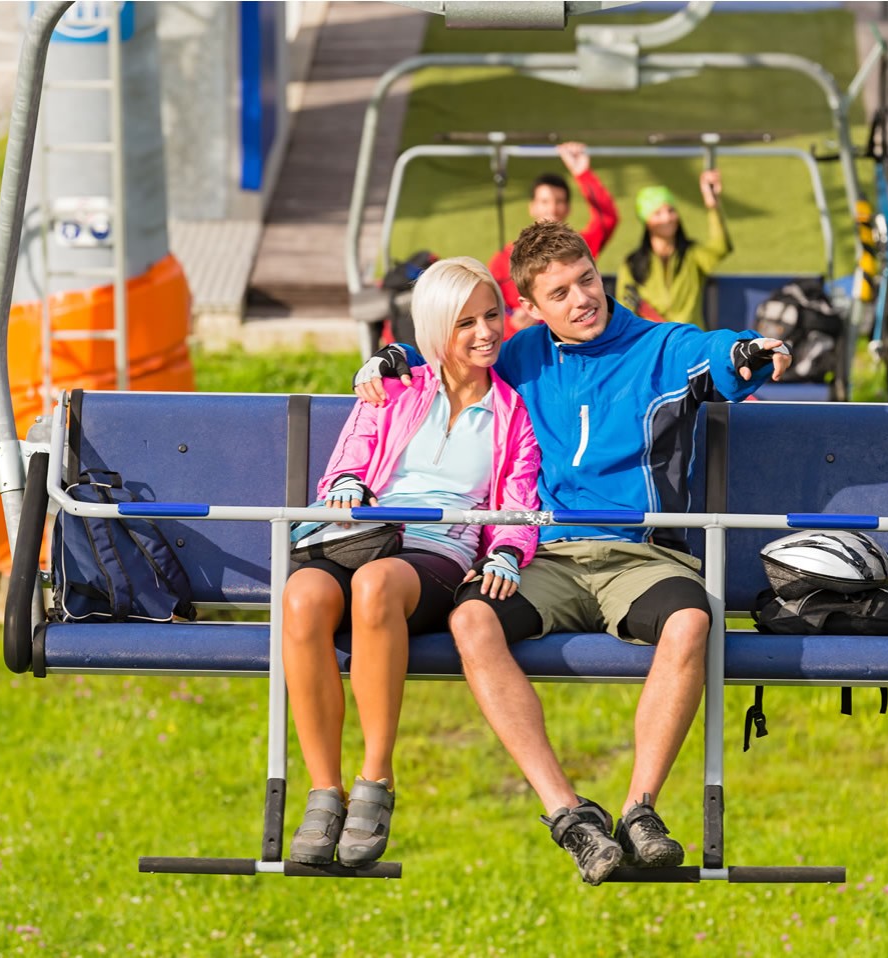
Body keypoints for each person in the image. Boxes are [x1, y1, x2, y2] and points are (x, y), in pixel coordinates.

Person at [353, 222, 790, 885]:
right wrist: (393, 358)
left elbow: (716, 354)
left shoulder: (658, 346)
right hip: (544, 557)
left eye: (586, 278)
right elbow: (451, 350)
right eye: (559, 293)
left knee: (691, 621)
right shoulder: (520, 357)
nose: (582, 298)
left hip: (639, 557)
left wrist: (748, 350)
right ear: (531, 307)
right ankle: (569, 816)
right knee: (471, 619)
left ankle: (641, 812)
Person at [283, 257, 540, 868]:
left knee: (376, 586)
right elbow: (347, 461)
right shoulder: (392, 389)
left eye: (492, 315)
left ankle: (376, 778)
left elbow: (518, 501)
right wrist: (347, 484)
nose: (486, 333)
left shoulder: (513, 413)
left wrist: (506, 550)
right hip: (361, 530)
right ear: (434, 330)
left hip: (438, 548)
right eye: (464, 323)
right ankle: (324, 791)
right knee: (303, 598)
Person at [489, 141, 618, 337]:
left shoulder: (578, 248)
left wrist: (582, 173)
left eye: (559, 201)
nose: (552, 209)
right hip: (526, 345)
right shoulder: (503, 259)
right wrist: (512, 324)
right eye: (544, 201)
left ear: (567, 208)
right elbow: (488, 308)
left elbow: (606, 219)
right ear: (532, 207)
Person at [616, 168, 733, 328]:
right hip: (653, 340)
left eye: (671, 210)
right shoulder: (631, 264)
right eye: (658, 213)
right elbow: (625, 311)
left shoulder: (693, 254)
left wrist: (713, 205)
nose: (667, 218)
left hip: (692, 340)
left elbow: (720, 248)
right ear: (646, 220)